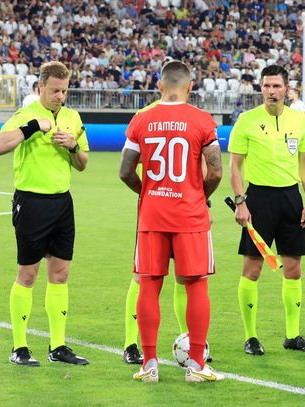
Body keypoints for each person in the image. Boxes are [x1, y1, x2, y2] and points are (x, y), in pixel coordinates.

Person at [119, 60, 224, 383]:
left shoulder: (141, 119)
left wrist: (147, 192)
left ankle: (149, 364)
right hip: (189, 214)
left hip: (152, 214)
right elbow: (216, 170)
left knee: (149, 284)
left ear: (159, 86)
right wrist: (200, 195)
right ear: (190, 86)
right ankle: (197, 365)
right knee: (196, 284)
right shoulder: (202, 120)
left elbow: (124, 171)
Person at [0, 61, 90, 366]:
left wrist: (72, 146)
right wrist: (33, 127)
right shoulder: (25, 115)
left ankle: (57, 346)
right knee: (28, 273)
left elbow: (83, 163)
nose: (60, 96)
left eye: (64, 91)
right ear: (40, 88)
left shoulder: (73, 118)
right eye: (55, 90)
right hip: (31, 202)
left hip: (62, 203)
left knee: (60, 273)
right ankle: (19, 347)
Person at [228, 65, 305, 356]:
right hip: (258, 200)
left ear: (286, 89)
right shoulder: (246, 120)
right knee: (252, 269)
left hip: (291, 199)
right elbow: (235, 166)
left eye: (276, 86)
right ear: (261, 88)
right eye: (267, 86)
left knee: (293, 269)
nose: (271, 91)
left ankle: (292, 336)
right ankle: (251, 337)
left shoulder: (299, 120)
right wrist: (240, 202)